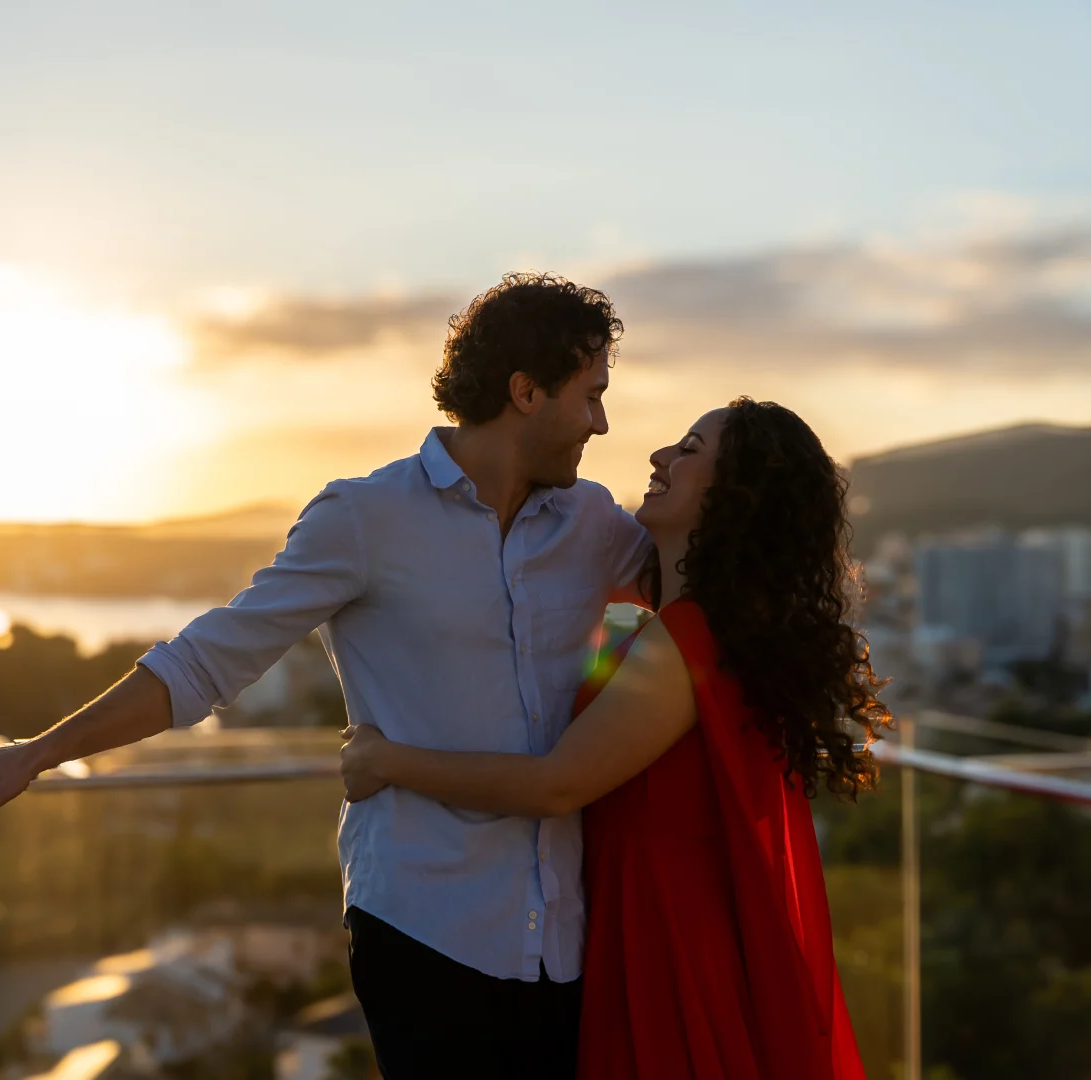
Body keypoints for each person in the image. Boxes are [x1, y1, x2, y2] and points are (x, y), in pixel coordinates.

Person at [0, 272, 653, 1078]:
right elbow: (208, 659)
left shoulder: (594, 523)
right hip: (424, 925)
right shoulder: (365, 518)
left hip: (566, 938)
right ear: (526, 391)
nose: (602, 423)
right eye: (591, 394)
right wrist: (37, 752)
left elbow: (702, 597)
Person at [340, 397, 888, 1079]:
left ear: (738, 496)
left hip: (665, 939)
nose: (660, 458)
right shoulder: (669, 624)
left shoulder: (685, 641)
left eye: (689, 450)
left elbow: (557, 782)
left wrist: (386, 758)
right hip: (647, 920)